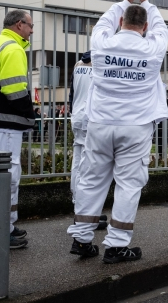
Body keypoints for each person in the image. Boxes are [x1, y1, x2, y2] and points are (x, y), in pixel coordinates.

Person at [67, 0, 168, 263]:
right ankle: (115, 245)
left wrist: (125, 1)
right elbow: (162, 27)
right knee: (128, 184)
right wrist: (147, 2)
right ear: (145, 27)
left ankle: (82, 239)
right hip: (135, 126)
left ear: (121, 21)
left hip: (99, 123)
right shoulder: (153, 48)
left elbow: (103, 22)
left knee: (91, 181)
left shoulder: (101, 44)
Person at [0, 9, 36, 249]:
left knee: (3, 179)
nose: (32, 30)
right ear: (19, 24)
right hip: (5, 125)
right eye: (30, 25)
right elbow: (15, 91)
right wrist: (30, 115)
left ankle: (6, 226)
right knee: (7, 180)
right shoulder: (13, 49)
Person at [68, 51, 108, 230]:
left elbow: (72, 93)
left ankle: (78, 204)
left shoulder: (79, 64)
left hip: (77, 116)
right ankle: (85, 212)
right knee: (89, 165)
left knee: (78, 162)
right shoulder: (101, 63)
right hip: (90, 118)